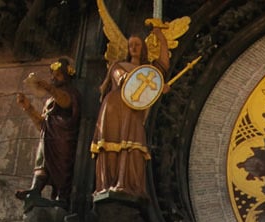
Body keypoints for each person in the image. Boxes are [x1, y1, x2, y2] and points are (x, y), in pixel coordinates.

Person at [91, 24, 169, 197]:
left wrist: (160, 37)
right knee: (111, 144)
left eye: (137, 45)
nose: (133, 48)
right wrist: (155, 86)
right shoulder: (118, 66)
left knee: (133, 145)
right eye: (130, 45)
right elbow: (123, 79)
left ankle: (129, 184)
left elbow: (163, 64)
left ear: (143, 48)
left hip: (134, 110)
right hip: (114, 106)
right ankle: (107, 184)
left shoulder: (148, 70)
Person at [15, 58, 82, 207]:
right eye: (52, 75)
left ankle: (63, 197)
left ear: (66, 76)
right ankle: (35, 190)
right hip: (48, 135)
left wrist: (48, 87)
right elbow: (41, 124)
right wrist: (28, 108)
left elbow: (66, 102)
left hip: (63, 138)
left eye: (57, 75)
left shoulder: (71, 92)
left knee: (63, 167)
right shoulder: (50, 100)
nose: (53, 78)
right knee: (42, 162)